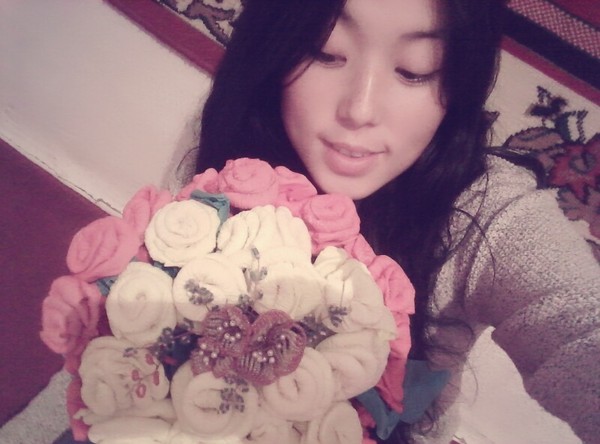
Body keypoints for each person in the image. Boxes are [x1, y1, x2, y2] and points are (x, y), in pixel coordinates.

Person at [195, 0, 600, 443]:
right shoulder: (239, 156)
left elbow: (581, 325)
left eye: (414, 69)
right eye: (326, 51)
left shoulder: (485, 210)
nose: (360, 110)